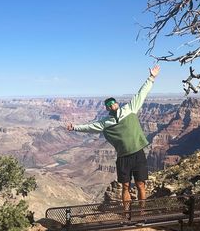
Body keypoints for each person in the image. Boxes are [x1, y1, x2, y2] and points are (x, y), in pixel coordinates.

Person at [66, 65, 160, 214]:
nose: (112, 105)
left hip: (138, 153)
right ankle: (126, 213)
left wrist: (152, 77)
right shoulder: (105, 122)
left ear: (117, 103)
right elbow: (89, 127)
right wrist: (75, 127)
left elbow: (142, 94)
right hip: (123, 157)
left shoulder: (130, 108)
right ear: (107, 108)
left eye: (113, 102)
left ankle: (142, 212)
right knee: (125, 186)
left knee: (141, 184)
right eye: (109, 105)